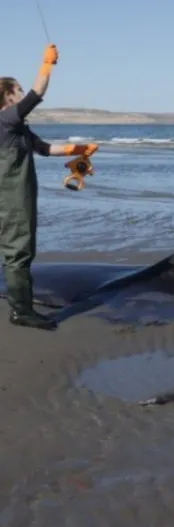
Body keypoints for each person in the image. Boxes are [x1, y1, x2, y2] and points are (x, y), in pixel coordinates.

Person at [0, 45, 99, 330]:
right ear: (7, 96)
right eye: (16, 90)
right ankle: (21, 311)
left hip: (17, 196)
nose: (21, 94)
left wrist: (78, 149)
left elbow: (44, 149)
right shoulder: (6, 119)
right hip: (12, 198)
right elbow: (37, 94)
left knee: (16, 249)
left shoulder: (18, 128)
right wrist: (47, 65)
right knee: (18, 250)